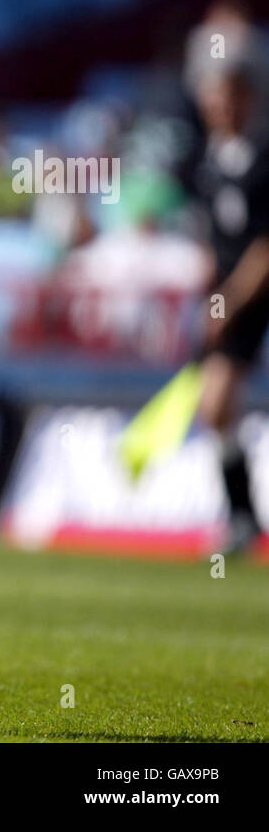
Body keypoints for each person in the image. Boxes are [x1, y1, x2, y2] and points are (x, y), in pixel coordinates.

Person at [190, 61, 269, 555]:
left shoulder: (264, 159)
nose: (221, 106)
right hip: (235, 299)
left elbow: (265, 245)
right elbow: (210, 242)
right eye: (214, 96)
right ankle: (242, 519)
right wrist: (212, 298)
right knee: (214, 404)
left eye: (230, 96)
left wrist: (231, 299)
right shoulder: (208, 164)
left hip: (254, 292)